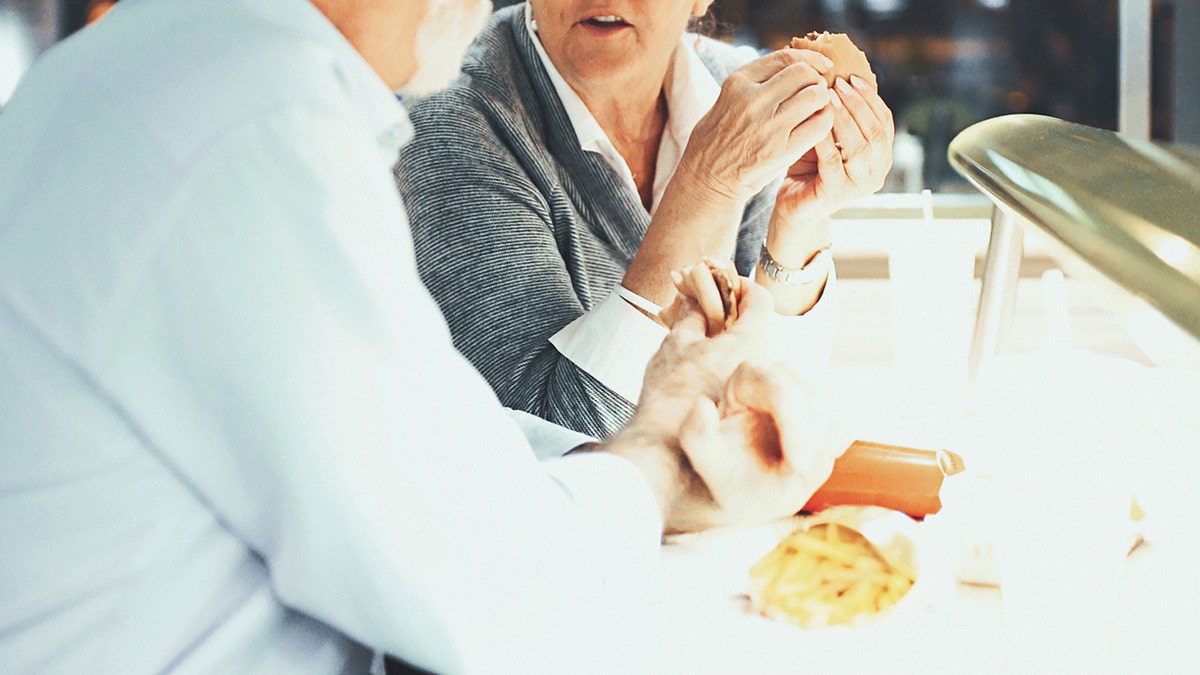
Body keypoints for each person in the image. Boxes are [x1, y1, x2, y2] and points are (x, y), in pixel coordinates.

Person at [0, 0, 849, 673]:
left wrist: (666, 468)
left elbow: (420, 435)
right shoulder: (253, 126)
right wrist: (660, 452)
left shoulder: (180, 72)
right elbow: (502, 604)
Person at [394, 1, 895, 439]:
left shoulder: (735, 92)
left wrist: (796, 225)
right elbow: (550, 441)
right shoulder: (453, 118)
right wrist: (705, 184)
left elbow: (773, 408)